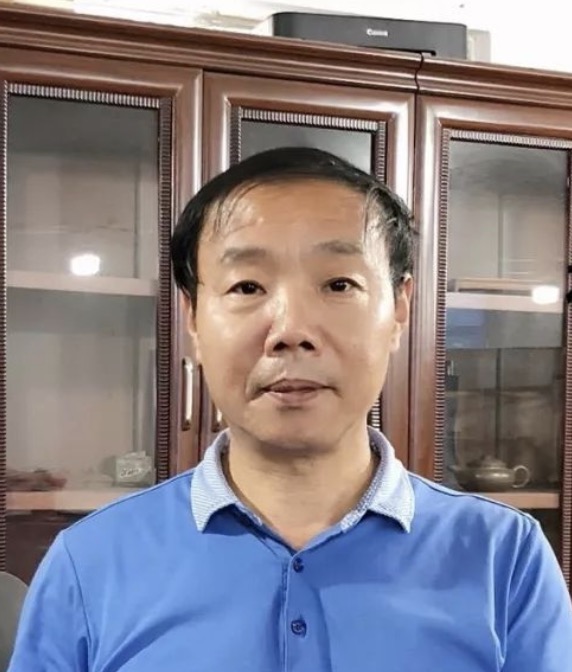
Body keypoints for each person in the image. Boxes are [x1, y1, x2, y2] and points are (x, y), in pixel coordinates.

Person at [8, 147, 572, 672]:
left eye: (339, 284)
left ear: (400, 309)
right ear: (193, 317)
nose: (292, 330)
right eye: (247, 287)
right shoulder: (91, 562)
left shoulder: (504, 559)